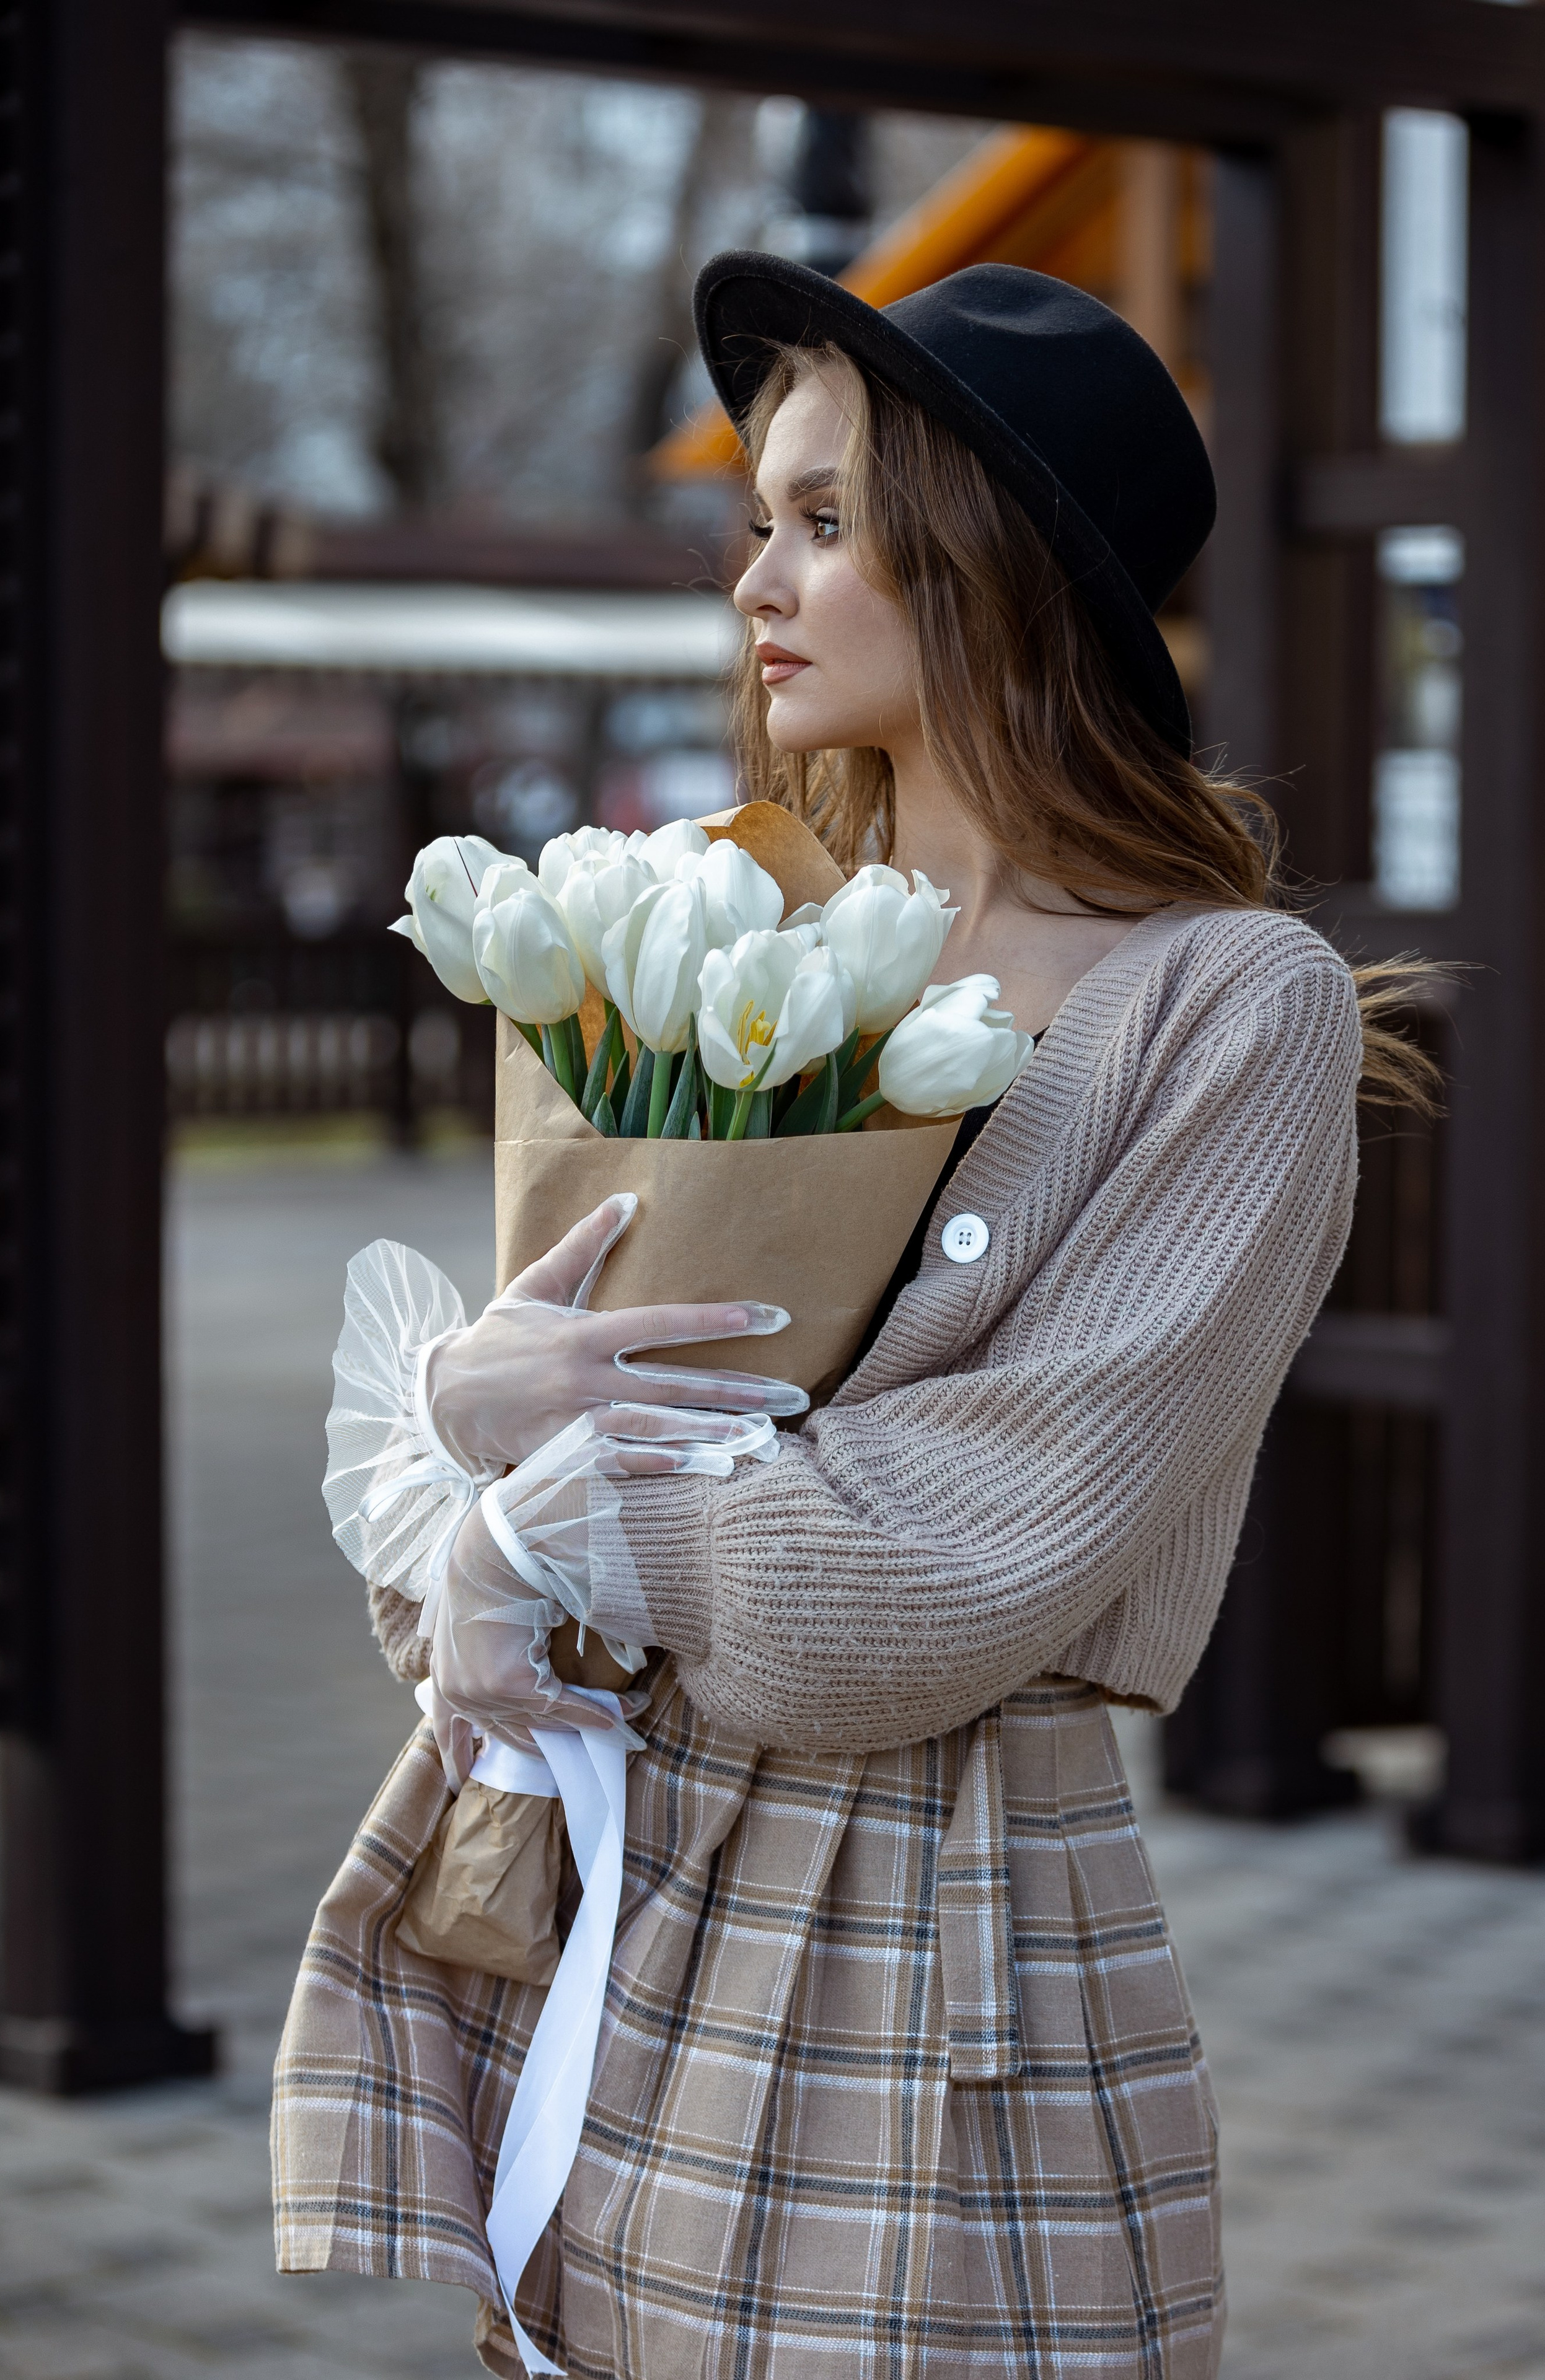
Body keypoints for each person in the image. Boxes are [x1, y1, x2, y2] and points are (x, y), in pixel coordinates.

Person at [273, 253, 1435, 2379]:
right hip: (623, 1929)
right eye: (756, 521)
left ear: (991, 562)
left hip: (934, 1969)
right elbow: (474, 1574)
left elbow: (938, 1572)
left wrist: (553, 1494)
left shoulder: (1221, 1004)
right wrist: (463, 1411)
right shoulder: (716, 925)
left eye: (824, 523)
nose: (756, 584)